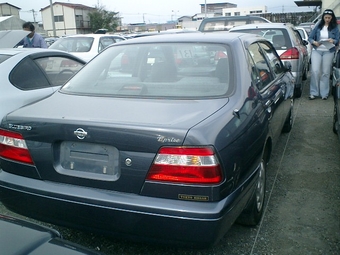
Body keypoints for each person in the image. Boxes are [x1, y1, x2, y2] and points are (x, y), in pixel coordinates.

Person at [308, 9, 339, 100]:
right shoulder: (318, 26)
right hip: (317, 50)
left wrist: (333, 40)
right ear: (323, 18)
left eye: (329, 18)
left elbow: (337, 39)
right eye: (326, 17)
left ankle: (324, 94)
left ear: (332, 18)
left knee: (325, 72)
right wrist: (314, 42)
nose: (327, 19)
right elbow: (310, 37)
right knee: (315, 71)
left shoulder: (335, 28)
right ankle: (313, 92)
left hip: (328, 51)